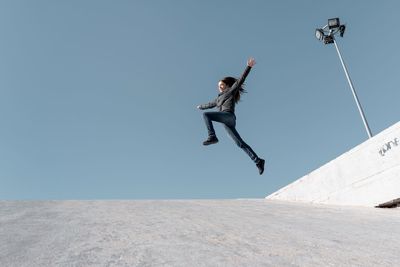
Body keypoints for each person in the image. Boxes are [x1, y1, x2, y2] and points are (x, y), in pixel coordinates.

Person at [197, 57, 265, 175]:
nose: (220, 87)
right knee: (239, 143)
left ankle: (212, 136)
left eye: (221, 85)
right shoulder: (218, 99)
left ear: (226, 85)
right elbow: (210, 104)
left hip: (228, 116)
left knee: (206, 115)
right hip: (226, 123)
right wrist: (200, 106)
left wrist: (248, 67)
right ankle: (258, 161)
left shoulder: (231, 91)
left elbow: (240, 80)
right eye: (218, 86)